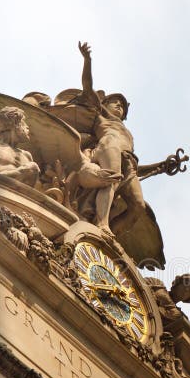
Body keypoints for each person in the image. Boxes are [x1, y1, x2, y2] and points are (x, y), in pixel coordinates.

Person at [76, 41, 147, 235]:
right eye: (114, 102)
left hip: (128, 161)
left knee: (138, 206)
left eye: (121, 106)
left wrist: (162, 166)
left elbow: (138, 168)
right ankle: (102, 224)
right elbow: (87, 86)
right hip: (108, 146)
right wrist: (87, 60)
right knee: (110, 180)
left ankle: (110, 236)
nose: (118, 106)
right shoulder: (101, 114)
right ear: (105, 104)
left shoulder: (128, 133)